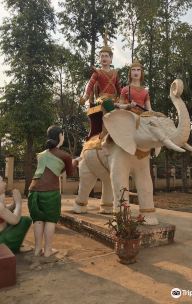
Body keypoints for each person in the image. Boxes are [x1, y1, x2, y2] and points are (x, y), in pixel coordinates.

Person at [28, 125, 77, 257]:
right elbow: (70, 173)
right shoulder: (65, 155)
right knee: (50, 220)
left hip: (33, 191)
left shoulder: (40, 155)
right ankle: (48, 251)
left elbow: (53, 170)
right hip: (50, 192)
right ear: (60, 136)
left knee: (37, 220)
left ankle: (37, 249)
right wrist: (74, 163)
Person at [80, 32, 121, 139]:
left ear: (111, 59)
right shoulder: (97, 73)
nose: (104, 58)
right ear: (99, 59)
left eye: (106, 56)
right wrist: (85, 97)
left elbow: (119, 89)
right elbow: (90, 85)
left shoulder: (115, 73)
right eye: (102, 56)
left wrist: (122, 100)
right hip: (102, 99)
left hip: (114, 100)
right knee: (106, 104)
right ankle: (106, 131)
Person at [0, 177, 32, 253]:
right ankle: (12, 247)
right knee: (24, 220)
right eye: (1, 182)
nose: (5, 183)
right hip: (1, 242)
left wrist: (13, 204)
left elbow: (4, 211)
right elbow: (15, 220)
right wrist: (18, 203)